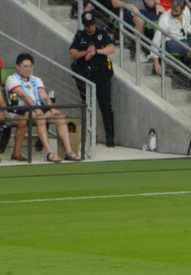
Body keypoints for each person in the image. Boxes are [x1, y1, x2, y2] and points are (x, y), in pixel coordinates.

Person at [5, 53, 81, 162]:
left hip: (37, 108)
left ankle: (69, 152)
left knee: (59, 117)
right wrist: (36, 109)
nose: (28, 69)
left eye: (30, 66)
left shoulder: (36, 79)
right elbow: (24, 96)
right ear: (17, 67)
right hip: (19, 110)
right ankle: (50, 153)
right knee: (40, 118)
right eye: (25, 66)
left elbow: (44, 95)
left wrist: (52, 108)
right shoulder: (11, 79)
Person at [69, 11, 116, 147]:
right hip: (86, 76)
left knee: (106, 106)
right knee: (87, 106)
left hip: (102, 75)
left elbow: (111, 48)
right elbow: (72, 53)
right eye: (87, 25)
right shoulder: (80, 35)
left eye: (92, 24)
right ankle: (89, 136)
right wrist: (86, 53)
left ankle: (110, 136)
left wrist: (97, 51)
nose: (90, 27)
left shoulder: (102, 33)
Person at [152, 0, 191, 75]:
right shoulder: (164, 19)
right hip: (170, 42)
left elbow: (187, 26)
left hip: (184, 40)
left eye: (176, 11)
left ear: (183, 9)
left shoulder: (186, 11)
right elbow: (156, 40)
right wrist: (156, 63)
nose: (173, 12)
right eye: (172, 9)